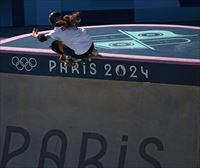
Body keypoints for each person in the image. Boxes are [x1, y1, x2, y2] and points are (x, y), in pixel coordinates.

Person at [32, 11, 98, 64]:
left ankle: (71, 57)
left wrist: (35, 35)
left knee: (55, 44)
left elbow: (42, 38)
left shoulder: (56, 32)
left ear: (52, 22)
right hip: (90, 47)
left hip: (80, 54)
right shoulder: (70, 22)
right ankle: (93, 51)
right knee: (78, 36)